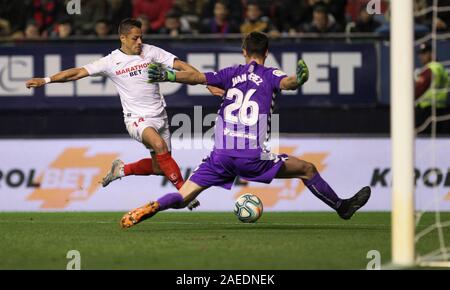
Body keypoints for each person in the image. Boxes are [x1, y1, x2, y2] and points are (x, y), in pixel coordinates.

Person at [119, 31, 371, 228]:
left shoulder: (231, 73)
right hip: (252, 157)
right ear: (267, 52)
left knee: (184, 196)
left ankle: (152, 206)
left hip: (220, 156)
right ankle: (341, 207)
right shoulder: (271, 74)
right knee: (307, 169)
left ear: (243, 52)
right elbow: (288, 82)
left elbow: (197, 78)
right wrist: (299, 79)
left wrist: (169, 77)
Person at [25, 18, 209, 209]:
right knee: (159, 145)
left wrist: (205, 81)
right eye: (135, 38)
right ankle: (184, 193)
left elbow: (181, 66)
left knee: (159, 167)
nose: (139, 42)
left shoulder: (151, 51)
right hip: (136, 119)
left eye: (141, 37)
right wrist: (46, 80)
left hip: (160, 116)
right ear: (123, 38)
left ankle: (121, 170)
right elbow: (77, 73)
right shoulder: (111, 61)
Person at [415, 42, 449, 109]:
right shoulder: (441, 68)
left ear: (431, 53)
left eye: (424, 53)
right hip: (441, 107)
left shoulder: (432, 68)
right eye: (420, 53)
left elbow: (418, 90)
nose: (420, 56)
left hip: (428, 109)